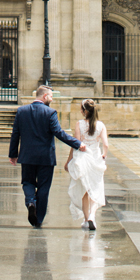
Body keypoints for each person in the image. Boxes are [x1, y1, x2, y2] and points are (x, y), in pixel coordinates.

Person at [9, 85, 85, 228]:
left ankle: (30, 201)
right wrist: (77, 143)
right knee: (44, 187)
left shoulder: (21, 111)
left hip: (27, 156)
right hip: (45, 157)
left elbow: (15, 134)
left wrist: (13, 154)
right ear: (44, 97)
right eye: (50, 96)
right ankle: (38, 220)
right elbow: (59, 133)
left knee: (27, 182)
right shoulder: (50, 113)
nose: (51, 99)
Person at [64, 98, 109, 231]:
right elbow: (105, 144)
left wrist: (68, 161)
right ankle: (92, 217)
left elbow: (76, 144)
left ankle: (85, 219)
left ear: (84, 111)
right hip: (95, 158)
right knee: (95, 188)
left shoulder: (79, 124)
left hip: (83, 159)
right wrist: (104, 156)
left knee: (85, 190)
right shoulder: (101, 125)